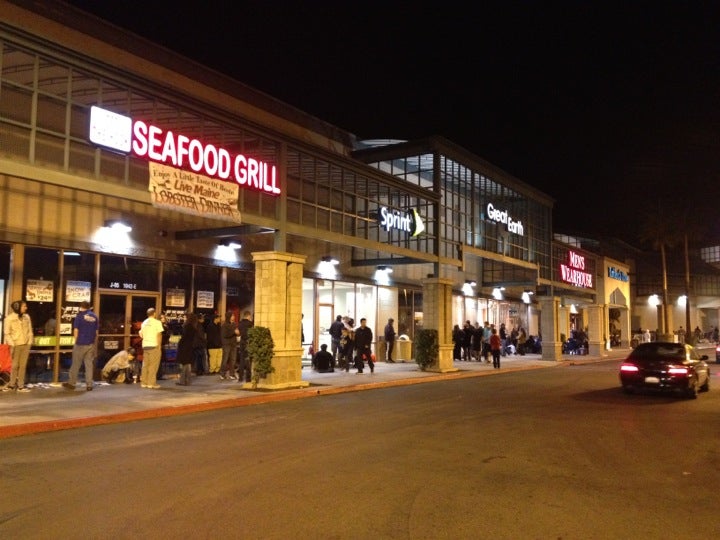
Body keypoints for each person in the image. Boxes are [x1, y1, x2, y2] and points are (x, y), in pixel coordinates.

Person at [64, 301, 99, 391]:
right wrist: (92, 341)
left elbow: (76, 330)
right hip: (90, 344)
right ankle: (89, 385)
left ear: (81, 307)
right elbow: (96, 332)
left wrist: (76, 341)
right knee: (89, 365)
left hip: (80, 343)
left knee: (76, 364)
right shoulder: (95, 317)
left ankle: (72, 383)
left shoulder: (79, 316)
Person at [2, 300, 33, 392]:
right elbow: (7, 333)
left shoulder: (26, 317)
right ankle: (11, 384)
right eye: (24, 306)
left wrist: (29, 342)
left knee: (23, 366)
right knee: (14, 365)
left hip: (26, 344)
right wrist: (12, 344)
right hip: (15, 344)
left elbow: (30, 330)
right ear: (17, 307)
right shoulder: (9, 318)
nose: (26, 308)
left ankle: (20, 385)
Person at [139, 307, 164, 389]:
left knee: (145, 365)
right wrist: (159, 346)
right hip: (154, 345)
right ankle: (151, 383)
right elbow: (159, 335)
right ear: (154, 313)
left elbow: (141, 334)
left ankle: (144, 383)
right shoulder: (157, 322)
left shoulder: (144, 323)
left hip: (145, 345)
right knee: (153, 365)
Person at [176, 313, 201, 386]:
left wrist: (180, 343)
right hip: (191, 347)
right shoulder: (195, 327)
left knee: (184, 364)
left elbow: (184, 337)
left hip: (185, 347)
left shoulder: (187, 326)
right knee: (188, 364)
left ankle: (183, 381)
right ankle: (187, 380)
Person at [220, 311, 240, 380]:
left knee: (233, 359)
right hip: (226, 344)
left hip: (233, 344)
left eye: (233, 315)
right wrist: (233, 332)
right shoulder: (224, 325)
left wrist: (238, 333)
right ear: (229, 317)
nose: (233, 317)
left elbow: (237, 332)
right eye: (232, 316)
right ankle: (222, 374)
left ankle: (232, 374)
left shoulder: (234, 324)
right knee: (225, 359)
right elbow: (224, 335)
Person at [237, 310, 254, 383]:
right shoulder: (250, 324)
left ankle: (240, 378)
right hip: (248, 343)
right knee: (248, 361)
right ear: (248, 316)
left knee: (241, 361)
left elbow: (239, 332)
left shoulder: (240, 323)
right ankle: (248, 378)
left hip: (242, 342)